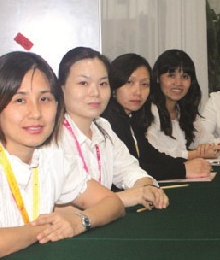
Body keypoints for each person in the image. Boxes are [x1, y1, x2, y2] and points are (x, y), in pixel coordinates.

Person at [0, 51, 125, 258]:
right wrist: (45, 229)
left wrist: (79, 221)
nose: (36, 113)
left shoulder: (50, 155)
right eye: (20, 100)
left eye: (45, 99)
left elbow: (113, 203)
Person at [57, 47, 168, 210]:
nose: (95, 92)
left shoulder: (102, 127)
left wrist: (147, 188)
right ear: (61, 88)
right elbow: (66, 205)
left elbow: (129, 170)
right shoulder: (52, 137)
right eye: (83, 83)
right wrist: (130, 196)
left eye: (103, 83)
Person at [102, 53, 213, 180]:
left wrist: (186, 164)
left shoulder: (131, 118)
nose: (138, 92)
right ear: (114, 85)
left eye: (144, 84)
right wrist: (182, 169)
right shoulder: (107, 121)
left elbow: (150, 155)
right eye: (129, 82)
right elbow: (132, 168)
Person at [146, 49, 220, 159]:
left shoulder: (182, 110)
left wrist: (211, 147)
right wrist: (194, 154)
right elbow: (151, 152)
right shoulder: (149, 111)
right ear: (157, 78)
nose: (178, 83)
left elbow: (208, 141)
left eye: (185, 76)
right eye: (171, 76)